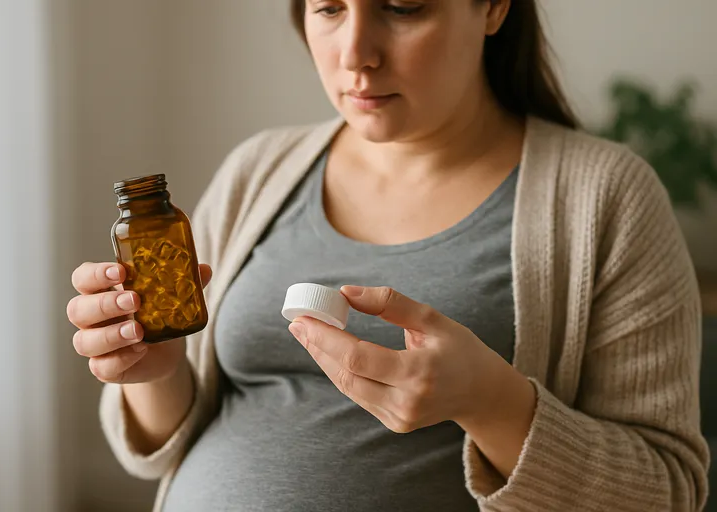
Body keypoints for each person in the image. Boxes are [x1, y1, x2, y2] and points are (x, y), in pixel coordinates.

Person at [67, 1, 710, 510]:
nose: (356, 55)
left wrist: (491, 402)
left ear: (492, 7)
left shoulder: (607, 197)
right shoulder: (257, 172)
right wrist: (154, 370)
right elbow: (160, 445)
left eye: (403, 7)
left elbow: (666, 492)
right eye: (328, 9)